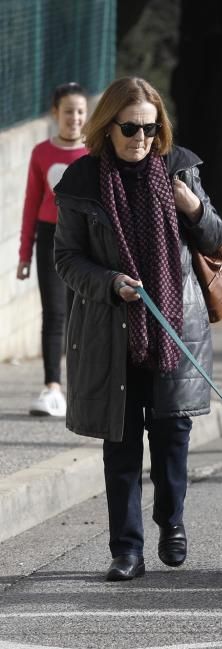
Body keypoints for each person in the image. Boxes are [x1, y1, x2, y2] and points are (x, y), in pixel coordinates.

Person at [53, 77, 222, 582]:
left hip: (175, 328)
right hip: (111, 330)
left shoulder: (181, 170)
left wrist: (192, 206)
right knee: (121, 444)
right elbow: (66, 258)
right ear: (107, 127)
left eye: (150, 128)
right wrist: (110, 282)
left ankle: (171, 523)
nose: (141, 138)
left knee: (173, 436)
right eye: (130, 127)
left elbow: (214, 238)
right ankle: (126, 550)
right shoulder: (80, 182)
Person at [17, 82, 89, 418]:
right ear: (55, 114)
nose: (74, 118)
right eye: (68, 111)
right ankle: (52, 388)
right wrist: (23, 255)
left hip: (86, 240)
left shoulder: (94, 154)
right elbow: (31, 203)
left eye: (80, 112)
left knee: (81, 314)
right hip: (50, 237)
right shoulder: (41, 153)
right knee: (55, 313)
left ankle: (81, 387)